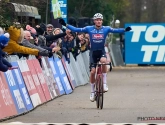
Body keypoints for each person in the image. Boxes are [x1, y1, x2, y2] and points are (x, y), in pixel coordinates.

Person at [59, 13, 132, 102]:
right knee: (93, 72)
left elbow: (116, 30)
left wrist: (125, 30)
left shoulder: (106, 29)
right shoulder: (89, 28)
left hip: (101, 51)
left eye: (100, 20)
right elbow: (76, 29)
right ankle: (92, 91)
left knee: (104, 61)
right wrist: (65, 24)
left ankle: (104, 83)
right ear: (94, 21)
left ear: (102, 21)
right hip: (93, 52)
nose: (98, 21)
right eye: (97, 20)